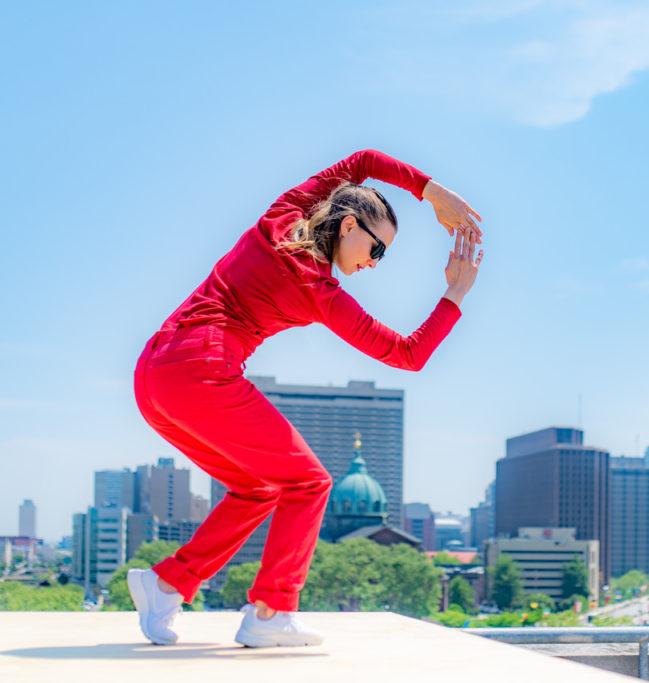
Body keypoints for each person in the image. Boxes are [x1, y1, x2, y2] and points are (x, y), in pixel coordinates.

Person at [128, 149, 483, 648]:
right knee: (310, 482)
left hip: (154, 373)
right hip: (200, 370)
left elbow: (361, 161)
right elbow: (408, 354)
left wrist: (431, 192)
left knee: (257, 488)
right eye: (376, 250)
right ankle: (271, 611)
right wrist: (455, 294)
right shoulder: (317, 290)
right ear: (349, 226)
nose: (373, 264)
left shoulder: (283, 215)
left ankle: (166, 586)